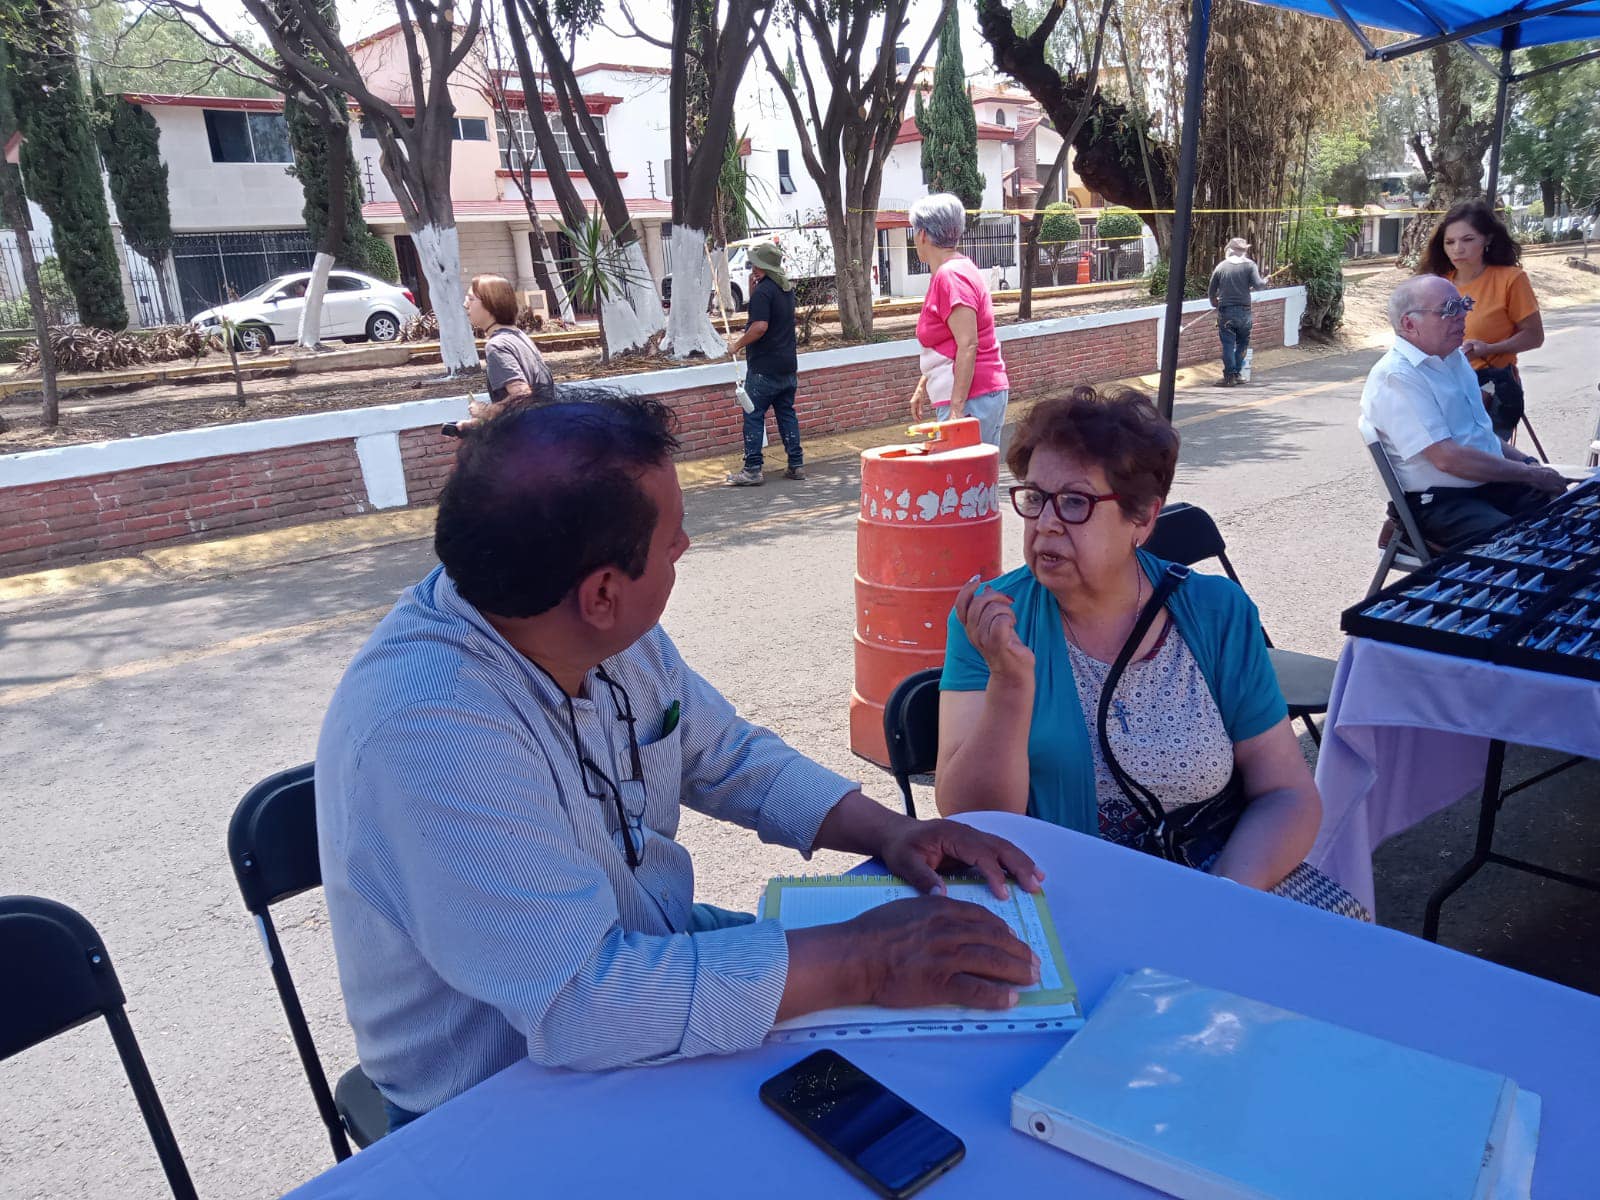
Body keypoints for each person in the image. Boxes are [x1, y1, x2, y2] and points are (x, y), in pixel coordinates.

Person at [316, 391, 1045, 1128]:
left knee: (932, 1065)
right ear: (602, 592)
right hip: (500, 1096)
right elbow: (583, 1005)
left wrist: (890, 832)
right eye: (673, 539)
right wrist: (864, 959)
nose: (686, 548)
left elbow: (722, 752)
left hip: (649, 954)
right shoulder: (428, 731)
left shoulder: (583, 624)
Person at [933, 386, 1365, 917]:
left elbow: (1287, 792)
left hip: (1218, 879)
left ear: (1142, 518)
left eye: (1075, 502)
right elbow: (973, 820)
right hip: (1065, 897)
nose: (1045, 522)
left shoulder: (1214, 612)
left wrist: (1222, 898)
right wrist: (1011, 685)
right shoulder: (994, 624)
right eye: (1035, 498)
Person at [1360, 275, 1565, 549]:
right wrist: (1529, 474)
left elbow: (1480, 436)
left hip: (1482, 484)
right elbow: (1448, 459)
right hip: (1440, 500)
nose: (1462, 316)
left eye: (1463, 305)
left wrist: (1530, 465)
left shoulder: (1453, 357)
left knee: (1566, 515)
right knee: (1518, 547)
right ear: (1409, 324)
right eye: (1448, 310)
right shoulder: (1397, 376)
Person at [1417, 199, 1544, 440]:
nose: (1458, 249)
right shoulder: (1437, 283)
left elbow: (1534, 336)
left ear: (1487, 239)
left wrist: (1490, 348)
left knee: (1485, 462)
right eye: (1450, 242)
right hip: (1442, 387)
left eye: (1468, 240)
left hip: (1491, 388)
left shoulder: (1511, 279)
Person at [907, 193, 1011, 446]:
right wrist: (924, 384)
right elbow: (948, 343)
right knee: (967, 480)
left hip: (974, 398)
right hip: (973, 396)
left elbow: (968, 344)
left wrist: (956, 411)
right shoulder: (954, 270)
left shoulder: (951, 275)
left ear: (922, 235)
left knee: (965, 482)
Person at [725, 241, 805, 486]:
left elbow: (760, 326)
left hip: (764, 368)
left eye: (757, 265)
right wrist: (751, 294)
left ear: (767, 267)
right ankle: (796, 464)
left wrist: (736, 345)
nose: (753, 268)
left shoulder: (763, 292)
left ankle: (752, 469)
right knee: (786, 413)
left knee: (753, 414)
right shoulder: (785, 288)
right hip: (787, 364)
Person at [460, 272, 553, 427]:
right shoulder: (519, 337)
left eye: (471, 299)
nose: (465, 304)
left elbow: (522, 397)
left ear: (491, 303)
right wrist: (476, 424)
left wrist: (485, 411)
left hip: (527, 442)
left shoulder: (497, 345)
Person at [1207, 237, 1268, 387]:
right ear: (1244, 251)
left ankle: (1229, 377)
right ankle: (1237, 374)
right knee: (1242, 343)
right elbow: (1259, 285)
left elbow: (1211, 290)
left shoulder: (1221, 267)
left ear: (1229, 250)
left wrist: (1214, 302)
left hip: (1226, 312)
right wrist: (1266, 280)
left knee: (1228, 344)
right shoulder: (1250, 265)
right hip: (1244, 312)